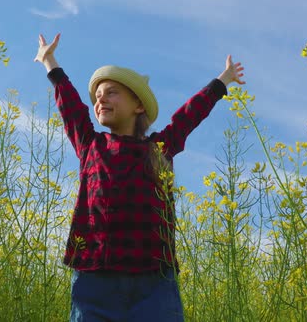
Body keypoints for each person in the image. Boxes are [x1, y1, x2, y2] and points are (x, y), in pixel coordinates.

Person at [34, 33, 245, 322]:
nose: (101, 100)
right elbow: (70, 106)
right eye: (97, 97)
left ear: (139, 106)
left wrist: (222, 81)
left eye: (111, 92)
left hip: (153, 280)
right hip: (95, 275)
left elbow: (188, 116)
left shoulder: (159, 148)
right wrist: (49, 61)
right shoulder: (90, 144)